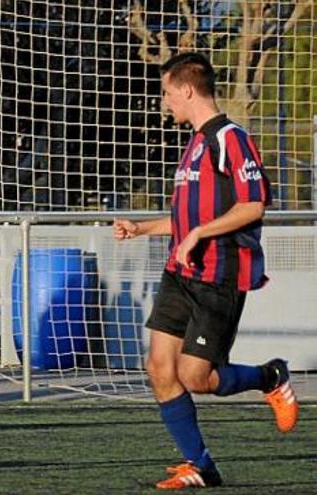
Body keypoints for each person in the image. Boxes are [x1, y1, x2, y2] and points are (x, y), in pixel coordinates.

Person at [113, 52, 298, 490]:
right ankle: (200, 464)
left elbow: (253, 204)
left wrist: (199, 234)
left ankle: (269, 375)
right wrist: (141, 228)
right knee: (159, 368)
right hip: (180, 273)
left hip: (218, 276)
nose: (165, 102)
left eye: (166, 93)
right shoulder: (194, 144)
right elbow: (186, 218)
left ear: (187, 89)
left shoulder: (231, 138)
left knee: (197, 378)